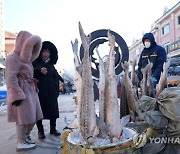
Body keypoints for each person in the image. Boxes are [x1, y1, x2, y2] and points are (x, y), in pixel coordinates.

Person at [5, 31, 43, 151]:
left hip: (31, 89)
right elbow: (11, 77)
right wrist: (16, 95)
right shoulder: (12, 57)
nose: (31, 49)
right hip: (21, 91)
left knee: (33, 117)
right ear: (23, 44)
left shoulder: (27, 59)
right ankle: (20, 141)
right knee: (22, 119)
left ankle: (26, 136)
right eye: (29, 46)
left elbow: (26, 73)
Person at [33, 41, 64, 139]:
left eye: (47, 52)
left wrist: (61, 81)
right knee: (39, 112)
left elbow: (56, 76)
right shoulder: (35, 63)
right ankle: (40, 131)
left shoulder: (51, 66)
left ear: (50, 53)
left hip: (51, 92)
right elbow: (30, 73)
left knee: (53, 111)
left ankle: (53, 129)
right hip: (40, 92)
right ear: (40, 52)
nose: (45, 53)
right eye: (43, 51)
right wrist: (39, 71)